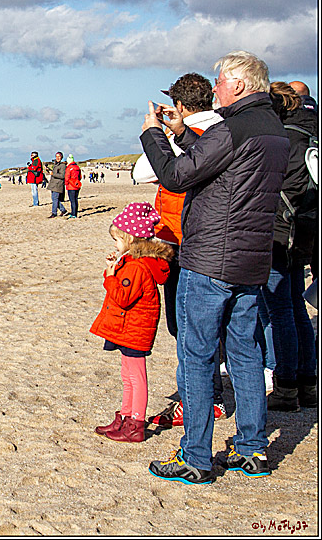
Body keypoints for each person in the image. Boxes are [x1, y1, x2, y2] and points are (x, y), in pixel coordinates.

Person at [142, 50, 289, 485]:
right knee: (245, 352)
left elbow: (174, 177)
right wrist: (183, 132)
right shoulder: (271, 129)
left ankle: (196, 456)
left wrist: (152, 135)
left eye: (221, 81)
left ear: (241, 85)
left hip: (211, 258)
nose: (215, 88)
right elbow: (220, 167)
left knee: (198, 353)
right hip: (249, 258)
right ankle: (251, 449)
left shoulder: (234, 127)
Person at [132, 73, 225, 428]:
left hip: (182, 239)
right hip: (215, 239)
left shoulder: (193, 138)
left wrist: (162, 133)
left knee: (186, 328)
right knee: (217, 325)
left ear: (181, 105)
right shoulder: (225, 131)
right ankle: (210, 394)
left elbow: (144, 172)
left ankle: (203, 399)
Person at [258, 81, 318, 411]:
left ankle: (286, 386)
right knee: (295, 307)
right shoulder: (312, 131)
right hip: (308, 226)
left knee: (281, 309)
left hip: (282, 228)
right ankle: (308, 383)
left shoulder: (286, 137)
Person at [91, 203, 173, 443]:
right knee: (127, 375)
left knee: (136, 377)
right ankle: (125, 416)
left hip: (134, 330)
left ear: (131, 239)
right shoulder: (135, 262)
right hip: (129, 329)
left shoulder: (138, 266)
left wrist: (110, 277)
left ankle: (136, 422)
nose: (114, 245)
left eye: (117, 240)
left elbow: (124, 297)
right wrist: (116, 266)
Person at [47, 152, 68, 218]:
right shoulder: (56, 164)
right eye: (56, 156)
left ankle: (54, 213)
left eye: (59, 156)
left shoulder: (63, 165)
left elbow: (62, 175)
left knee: (55, 199)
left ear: (61, 157)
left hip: (58, 184)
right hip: (53, 184)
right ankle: (63, 210)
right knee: (54, 199)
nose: (57, 158)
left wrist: (53, 174)